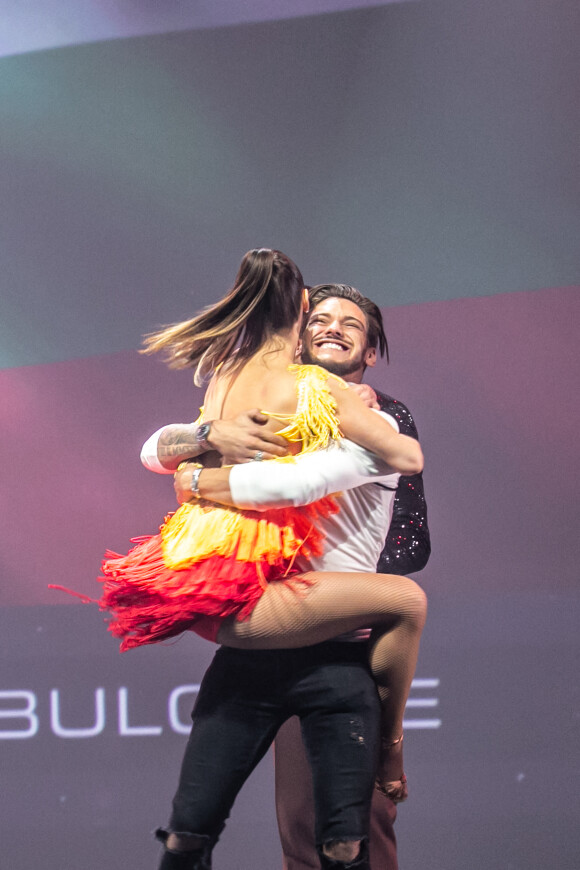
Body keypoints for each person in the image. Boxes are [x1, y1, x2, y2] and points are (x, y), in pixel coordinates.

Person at [96, 249, 427, 869]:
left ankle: (390, 749)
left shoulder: (370, 415)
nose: (332, 326)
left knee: (354, 837)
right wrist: (206, 438)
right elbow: (152, 447)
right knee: (291, 831)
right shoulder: (274, 397)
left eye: (351, 324)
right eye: (321, 317)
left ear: (372, 353)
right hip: (269, 629)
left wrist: (196, 484)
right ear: (299, 325)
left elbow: (304, 483)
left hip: (339, 642)